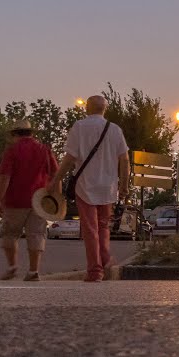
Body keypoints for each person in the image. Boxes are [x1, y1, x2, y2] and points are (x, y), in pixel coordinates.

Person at [48, 95, 129, 282]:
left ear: (87, 108)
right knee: (103, 227)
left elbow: (69, 159)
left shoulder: (79, 127)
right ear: (104, 109)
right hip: (108, 187)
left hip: (85, 185)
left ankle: (95, 270)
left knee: (90, 229)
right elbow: (124, 160)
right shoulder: (115, 130)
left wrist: (55, 181)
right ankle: (105, 258)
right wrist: (124, 185)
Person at [0, 118, 59, 281]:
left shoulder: (12, 150)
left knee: (9, 234)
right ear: (31, 133)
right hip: (39, 201)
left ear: (15, 134)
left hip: (15, 201)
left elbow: (5, 177)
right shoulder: (44, 150)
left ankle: (12, 266)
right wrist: (56, 199)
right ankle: (33, 271)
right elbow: (55, 175)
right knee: (37, 234)